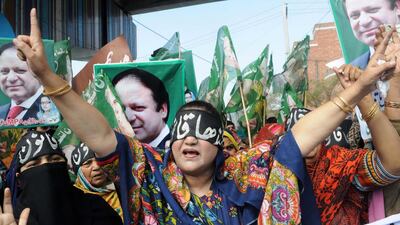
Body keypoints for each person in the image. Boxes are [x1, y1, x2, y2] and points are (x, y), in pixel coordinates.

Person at [14, 8, 400, 224]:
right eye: (182, 132)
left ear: (221, 145)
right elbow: (99, 136)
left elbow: (300, 137)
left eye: (203, 132)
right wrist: (48, 79)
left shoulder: (251, 174)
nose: (189, 139)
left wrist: (359, 91)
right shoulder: (151, 178)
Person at [8, 129, 123, 225]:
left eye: (55, 160)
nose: (46, 168)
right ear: (19, 179)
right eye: (33, 165)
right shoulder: (13, 219)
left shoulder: (96, 209)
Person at [112, 68, 171, 149]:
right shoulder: (116, 153)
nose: (129, 118)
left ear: (163, 110)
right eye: (120, 109)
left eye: (138, 108)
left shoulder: (181, 152)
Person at [71, 143, 123, 221]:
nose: (97, 166)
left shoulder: (124, 189)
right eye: (88, 163)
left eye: (99, 160)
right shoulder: (76, 204)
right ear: (79, 173)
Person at [0, 43, 42, 123]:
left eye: (20, 70)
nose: (11, 78)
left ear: (38, 72)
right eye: (4, 72)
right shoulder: (1, 112)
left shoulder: (56, 109)